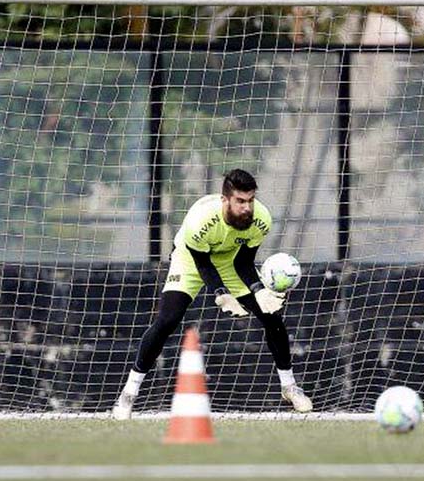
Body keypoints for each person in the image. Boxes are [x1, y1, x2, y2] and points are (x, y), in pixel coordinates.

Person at [112, 169, 312, 418]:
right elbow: (203, 264)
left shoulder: (261, 219)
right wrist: (220, 294)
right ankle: (129, 393)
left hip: (230, 262)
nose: (246, 207)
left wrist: (259, 290)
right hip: (190, 262)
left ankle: (289, 387)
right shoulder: (200, 220)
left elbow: (244, 263)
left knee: (272, 316)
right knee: (167, 320)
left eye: (250, 200)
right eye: (240, 201)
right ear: (225, 199)